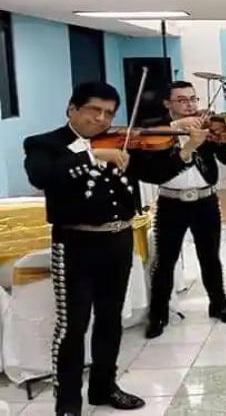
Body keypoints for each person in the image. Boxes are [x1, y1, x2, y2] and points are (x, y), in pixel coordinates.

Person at [23, 82, 194, 415]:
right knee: (72, 326)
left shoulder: (120, 141)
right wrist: (90, 154)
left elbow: (156, 171)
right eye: (94, 111)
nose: (101, 120)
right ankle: (68, 402)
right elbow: (42, 176)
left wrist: (187, 150)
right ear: (72, 108)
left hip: (118, 241)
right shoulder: (46, 144)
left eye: (108, 114)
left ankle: (104, 387)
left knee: (110, 319)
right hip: (74, 244)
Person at [144, 81, 226, 339]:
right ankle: (158, 314)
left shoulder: (207, 124)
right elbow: (151, 159)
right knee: (165, 261)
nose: (190, 105)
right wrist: (178, 131)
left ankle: (219, 305)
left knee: (211, 257)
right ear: (168, 103)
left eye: (193, 99)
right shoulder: (156, 127)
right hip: (170, 202)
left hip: (205, 201)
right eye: (182, 100)